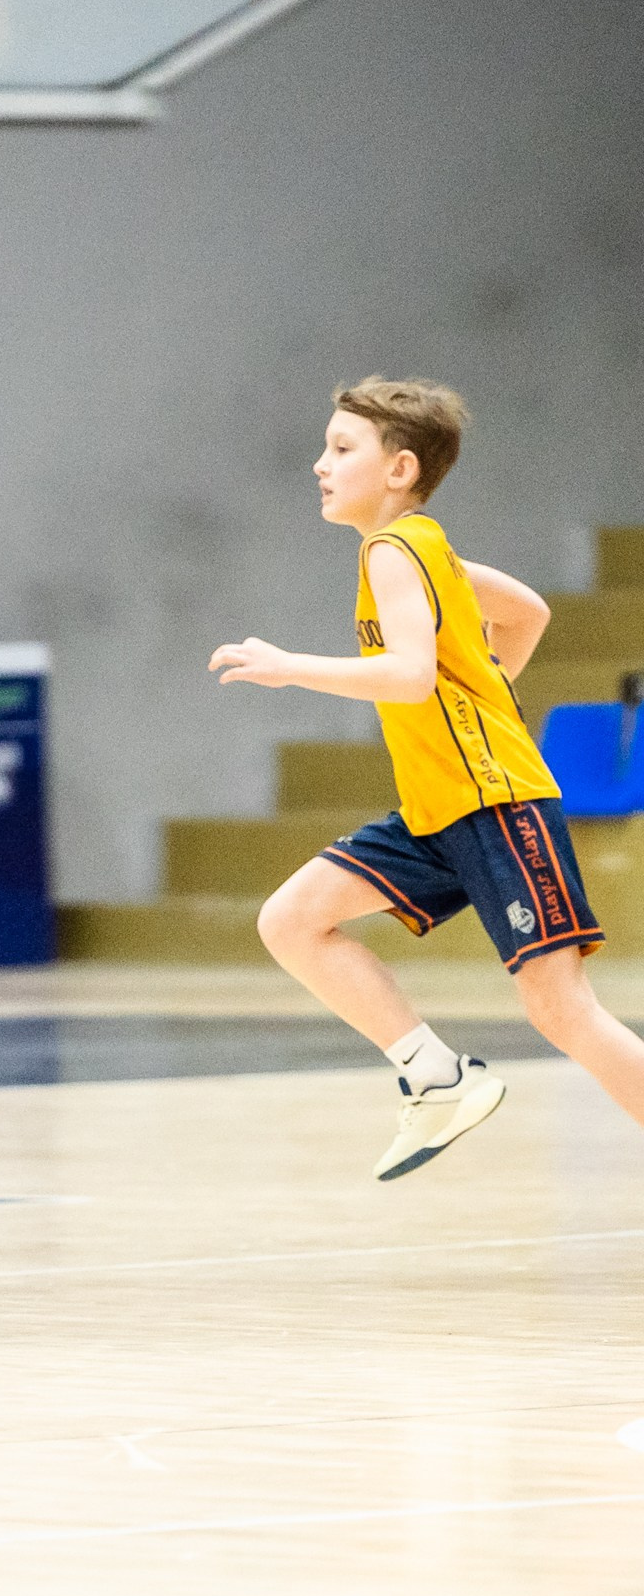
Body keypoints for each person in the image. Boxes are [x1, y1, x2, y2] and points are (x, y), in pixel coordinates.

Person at [214, 377, 644, 1177]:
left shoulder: (393, 550)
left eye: (342, 448)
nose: (321, 463)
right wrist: (488, 694)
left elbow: (411, 675)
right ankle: (435, 1076)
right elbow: (529, 613)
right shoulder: (425, 550)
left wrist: (289, 667)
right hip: (438, 809)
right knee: (293, 918)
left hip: (496, 800)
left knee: (561, 1009)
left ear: (400, 468)